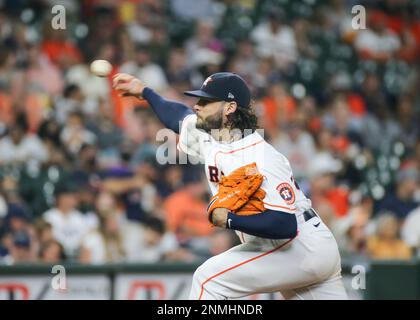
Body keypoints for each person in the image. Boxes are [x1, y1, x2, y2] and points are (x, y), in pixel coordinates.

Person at [113, 71, 348, 300]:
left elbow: (285, 224)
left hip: (298, 245)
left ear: (229, 107)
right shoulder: (211, 137)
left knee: (208, 280)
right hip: (304, 252)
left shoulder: (261, 156)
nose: (197, 106)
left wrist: (230, 220)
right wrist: (144, 91)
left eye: (206, 101)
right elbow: (178, 117)